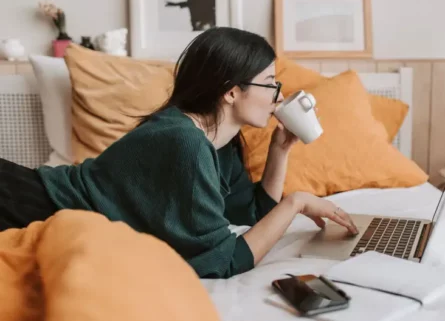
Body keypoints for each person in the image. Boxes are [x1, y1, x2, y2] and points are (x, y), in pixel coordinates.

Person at [0, 27, 358, 279]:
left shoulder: (219, 141)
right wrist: (295, 203)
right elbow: (226, 261)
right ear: (231, 92)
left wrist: (280, 151)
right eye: (270, 83)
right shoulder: (184, 142)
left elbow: (252, 214)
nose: (279, 95)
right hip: (29, 204)